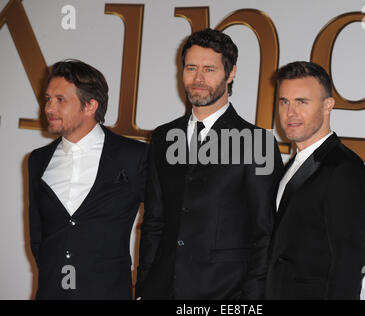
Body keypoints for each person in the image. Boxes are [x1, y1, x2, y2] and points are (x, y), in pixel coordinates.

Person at [135, 28, 283, 299]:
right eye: (191, 68)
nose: (198, 79)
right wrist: (144, 287)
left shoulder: (256, 143)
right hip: (162, 290)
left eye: (209, 69)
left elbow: (265, 234)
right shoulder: (164, 137)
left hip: (224, 294)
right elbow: (154, 221)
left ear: (231, 73)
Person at [27, 59, 148, 299]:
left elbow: (158, 225)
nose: (49, 108)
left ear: (90, 106)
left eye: (60, 100)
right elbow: (37, 234)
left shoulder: (133, 156)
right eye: (48, 99)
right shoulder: (37, 160)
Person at [265, 61, 365, 299]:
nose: (290, 112)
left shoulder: (344, 170)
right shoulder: (293, 165)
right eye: (284, 102)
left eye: (302, 102)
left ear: (328, 106)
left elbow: (348, 262)